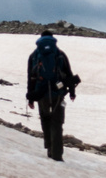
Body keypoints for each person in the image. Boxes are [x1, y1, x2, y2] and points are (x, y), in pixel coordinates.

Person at [26, 30, 80, 161]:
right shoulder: (60, 54)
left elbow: (31, 78)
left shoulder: (34, 56)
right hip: (58, 93)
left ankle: (49, 147)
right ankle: (57, 155)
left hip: (41, 94)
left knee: (45, 120)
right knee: (57, 123)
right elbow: (69, 74)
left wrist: (31, 98)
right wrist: (72, 92)